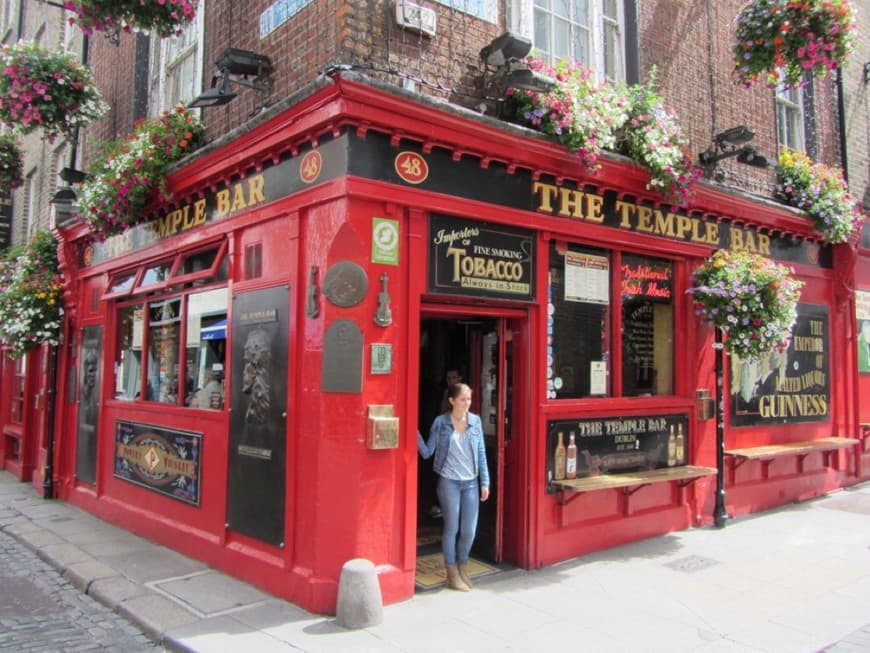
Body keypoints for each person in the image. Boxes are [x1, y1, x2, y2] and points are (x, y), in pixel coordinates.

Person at [418, 382, 489, 592]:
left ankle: (462, 566)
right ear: (452, 401)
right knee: (452, 528)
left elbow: (482, 453)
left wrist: (485, 481)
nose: (467, 403)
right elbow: (427, 452)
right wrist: (413, 433)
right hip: (449, 481)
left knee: (469, 531)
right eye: (463, 399)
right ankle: (451, 573)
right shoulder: (441, 423)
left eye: (469, 399)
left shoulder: (475, 421)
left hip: (470, 483)